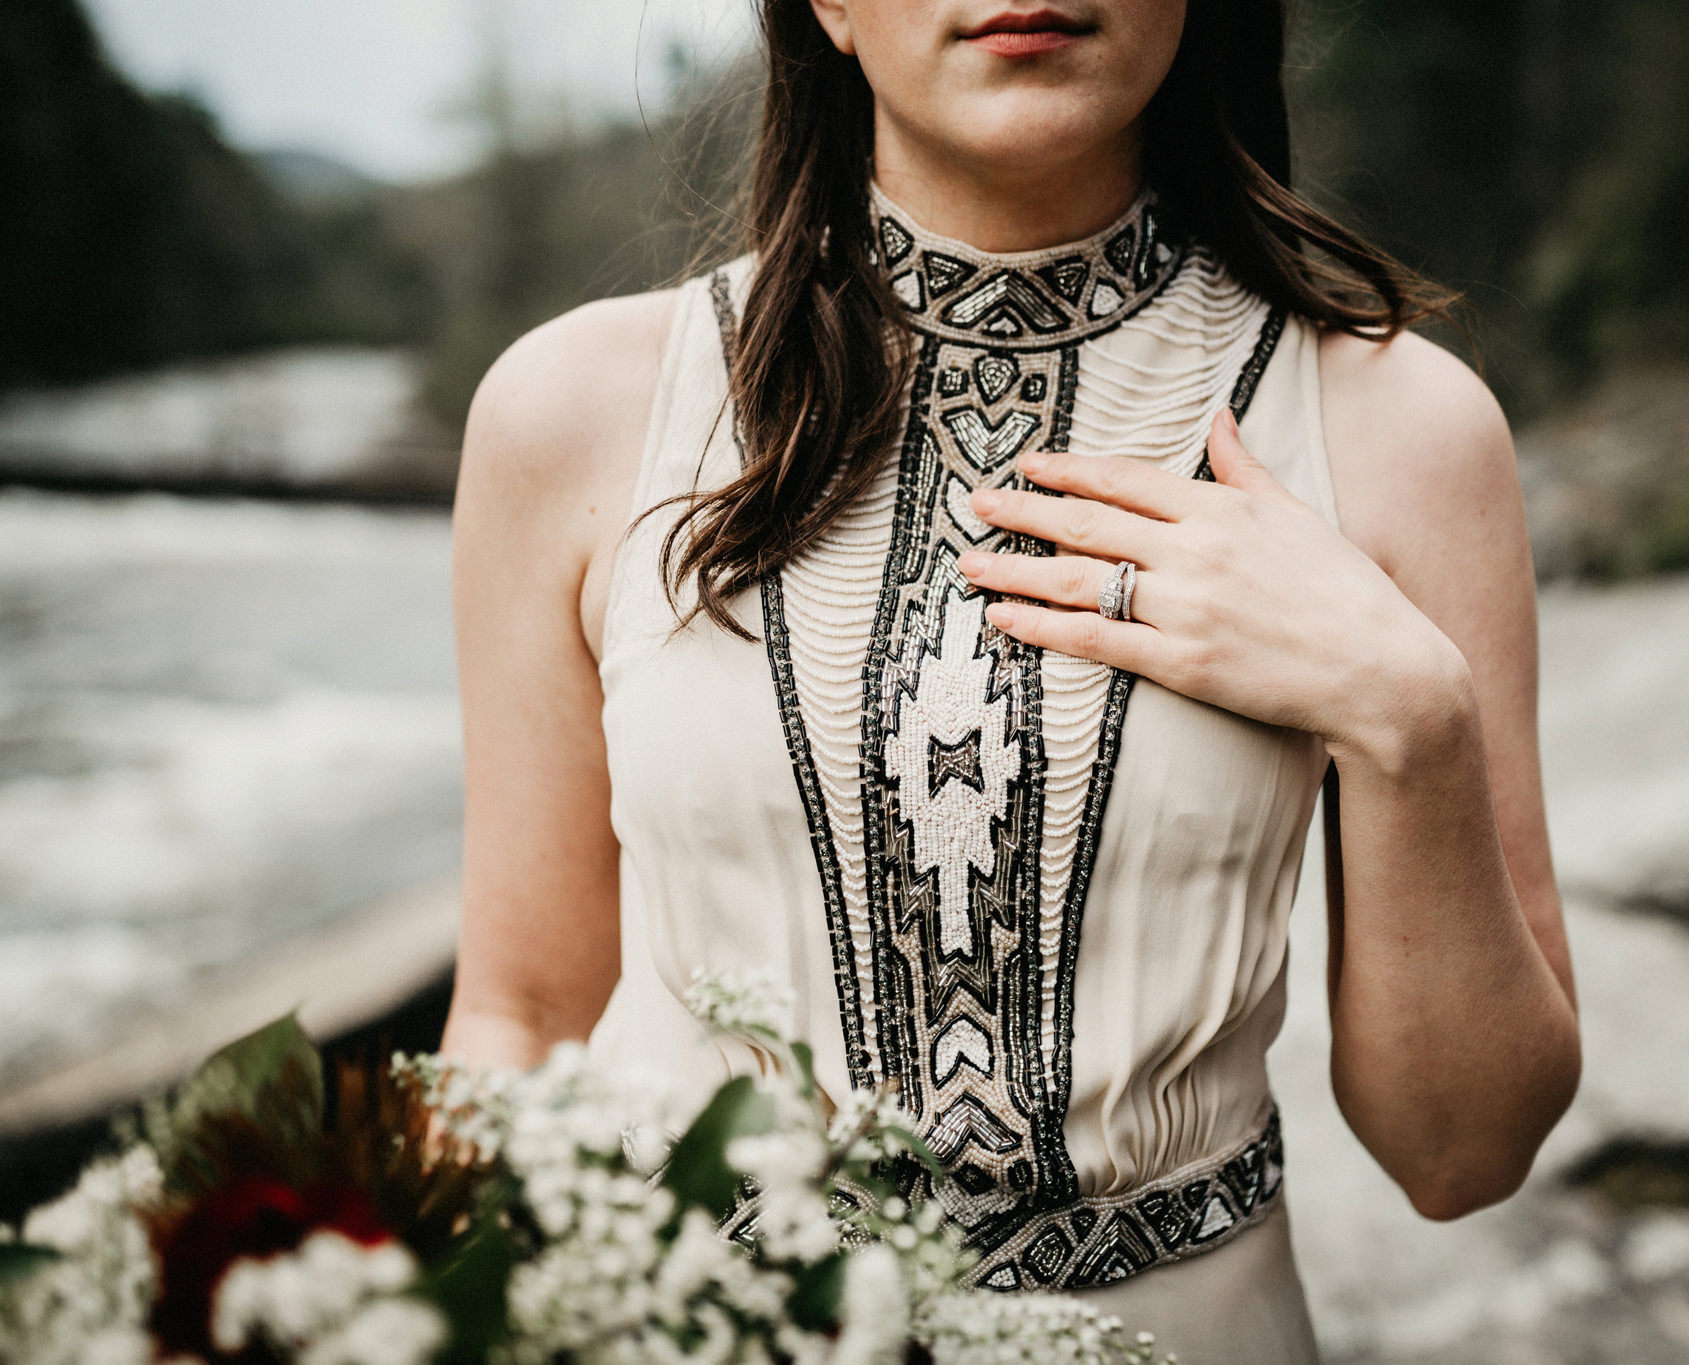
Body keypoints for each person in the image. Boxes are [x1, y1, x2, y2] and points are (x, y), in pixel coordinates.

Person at [441, 1, 1581, 1358]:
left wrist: (1411, 719)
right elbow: (522, 1016)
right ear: (830, 7)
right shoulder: (573, 418)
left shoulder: (1398, 431)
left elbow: (1462, 1154)